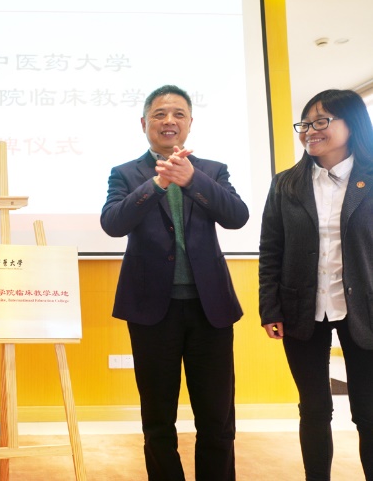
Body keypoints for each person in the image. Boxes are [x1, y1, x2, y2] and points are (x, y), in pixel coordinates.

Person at [100, 84, 249, 480]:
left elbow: (237, 216)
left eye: (178, 114)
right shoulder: (125, 173)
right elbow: (113, 223)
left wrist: (192, 179)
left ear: (190, 122)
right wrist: (158, 184)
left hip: (210, 308)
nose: (169, 121)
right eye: (160, 114)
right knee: (158, 419)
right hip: (151, 310)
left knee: (217, 418)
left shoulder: (212, 170)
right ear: (144, 123)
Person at [259, 89, 373, 480]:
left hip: (365, 309)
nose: (310, 130)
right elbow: (271, 251)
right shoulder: (285, 184)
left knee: (369, 411)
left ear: (351, 124)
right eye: (305, 123)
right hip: (300, 308)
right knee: (313, 409)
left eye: (321, 121)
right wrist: (270, 308)